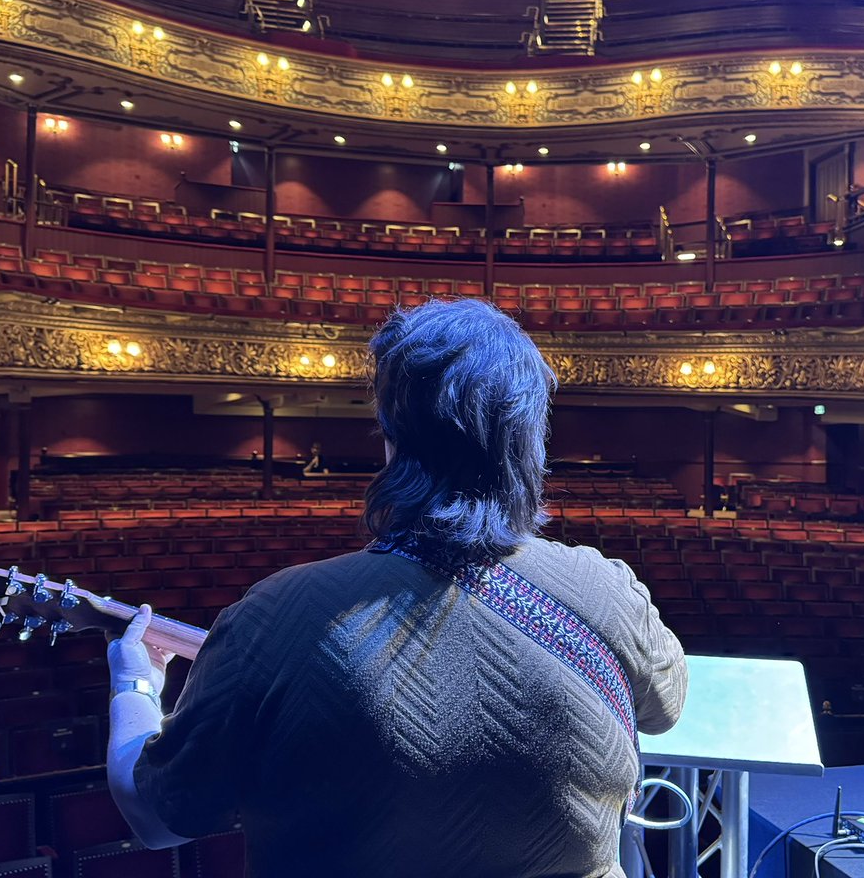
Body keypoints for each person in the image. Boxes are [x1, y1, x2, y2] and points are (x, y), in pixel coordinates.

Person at [106, 299, 687, 877]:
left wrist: (133, 683)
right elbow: (665, 709)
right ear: (530, 442)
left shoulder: (275, 612)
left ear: (392, 439)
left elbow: (157, 818)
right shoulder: (609, 588)